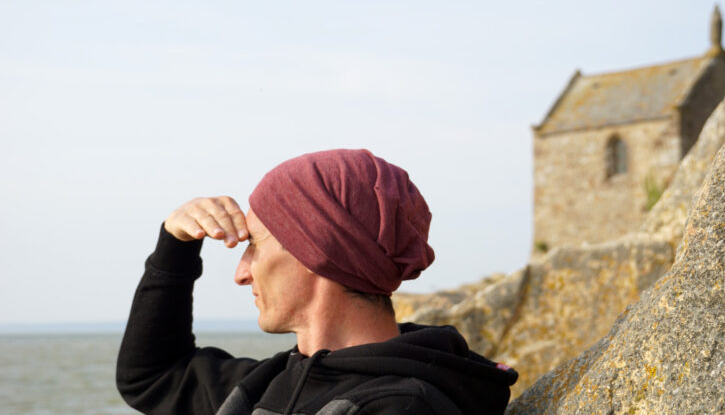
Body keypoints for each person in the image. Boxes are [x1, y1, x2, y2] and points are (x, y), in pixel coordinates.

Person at [116, 149, 517, 415]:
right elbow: (151, 377)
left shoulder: (403, 406)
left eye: (254, 245)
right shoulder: (269, 382)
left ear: (316, 252)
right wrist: (176, 245)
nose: (241, 273)